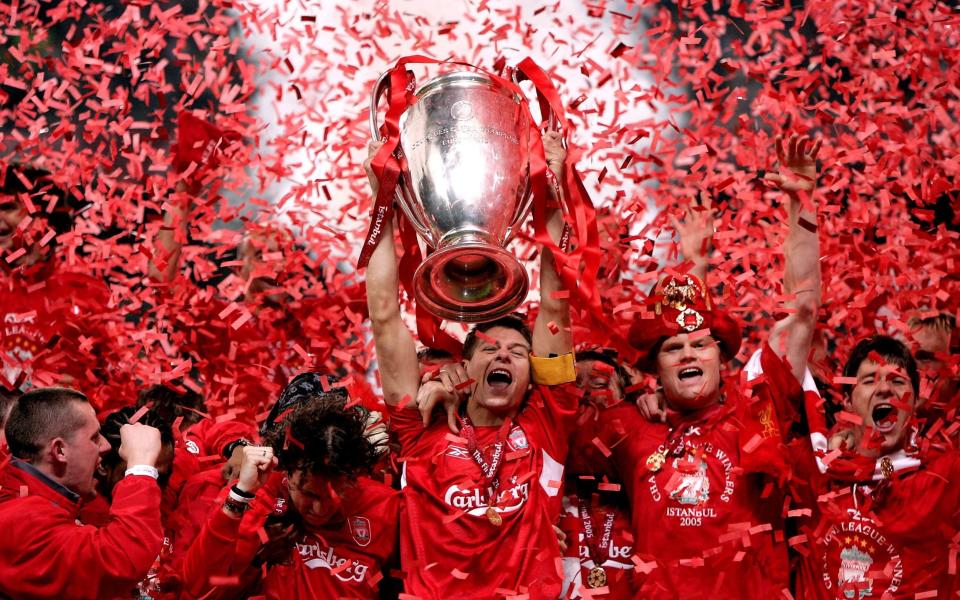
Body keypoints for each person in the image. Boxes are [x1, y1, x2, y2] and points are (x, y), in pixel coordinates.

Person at [599, 134, 822, 598]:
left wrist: (801, 203)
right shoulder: (627, 425)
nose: (687, 354)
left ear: (723, 358)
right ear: (653, 371)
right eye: (673, 349)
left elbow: (801, 310)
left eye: (701, 346)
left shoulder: (758, 406)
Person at [365, 130, 579, 598]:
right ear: (467, 366)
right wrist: (380, 202)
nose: (504, 354)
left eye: (518, 353)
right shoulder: (421, 429)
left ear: (533, 376)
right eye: (488, 348)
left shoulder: (548, 424)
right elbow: (384, 316)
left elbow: (555, 308)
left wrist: (554, 195)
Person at [179, 382, 399, 599]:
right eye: (309, 494)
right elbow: (198, 587)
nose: (320, 509)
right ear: (288, 472)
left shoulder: (387, 507)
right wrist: (240, 497)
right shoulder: (259, 493)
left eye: (335, 494)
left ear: (353, 476)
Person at [792, 335, 960, 597]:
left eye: (897, 380)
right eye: (870, 380)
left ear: (915, 401)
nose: (884, 389)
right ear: (847, 400)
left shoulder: (945, 477)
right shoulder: (816, 470)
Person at [0, 387, 165, 599]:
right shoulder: (22, 519)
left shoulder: (31, 501)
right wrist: (141, 464)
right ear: (59, 450)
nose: (105, 446)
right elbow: (120, 560)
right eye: (94, 437)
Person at [0, 164, 132, 405]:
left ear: (41, 214)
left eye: (7, 207)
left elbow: (122, 381)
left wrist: (80, 403)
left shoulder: (86, 290)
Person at [559, 349, 638, 598]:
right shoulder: (540, 491)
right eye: (574, 386)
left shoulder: (648, 486)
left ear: (624, 398)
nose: (585, 395)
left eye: (600, 385)